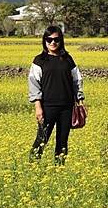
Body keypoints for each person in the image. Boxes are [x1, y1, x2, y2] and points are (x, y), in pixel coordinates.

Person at [28, 25, 84, 166]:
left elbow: (77, 80)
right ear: (44, 41)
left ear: (61, 41)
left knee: (62, 141)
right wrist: (38, 107)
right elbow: (34, 84)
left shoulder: (67, 59)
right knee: (42, 139)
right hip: (47, 107)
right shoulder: (39, 60)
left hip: (66, 107)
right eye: (49, 39)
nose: (53, 42)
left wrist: (80, 99)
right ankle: (32, 166)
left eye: (56, 39)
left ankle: (59, 168)